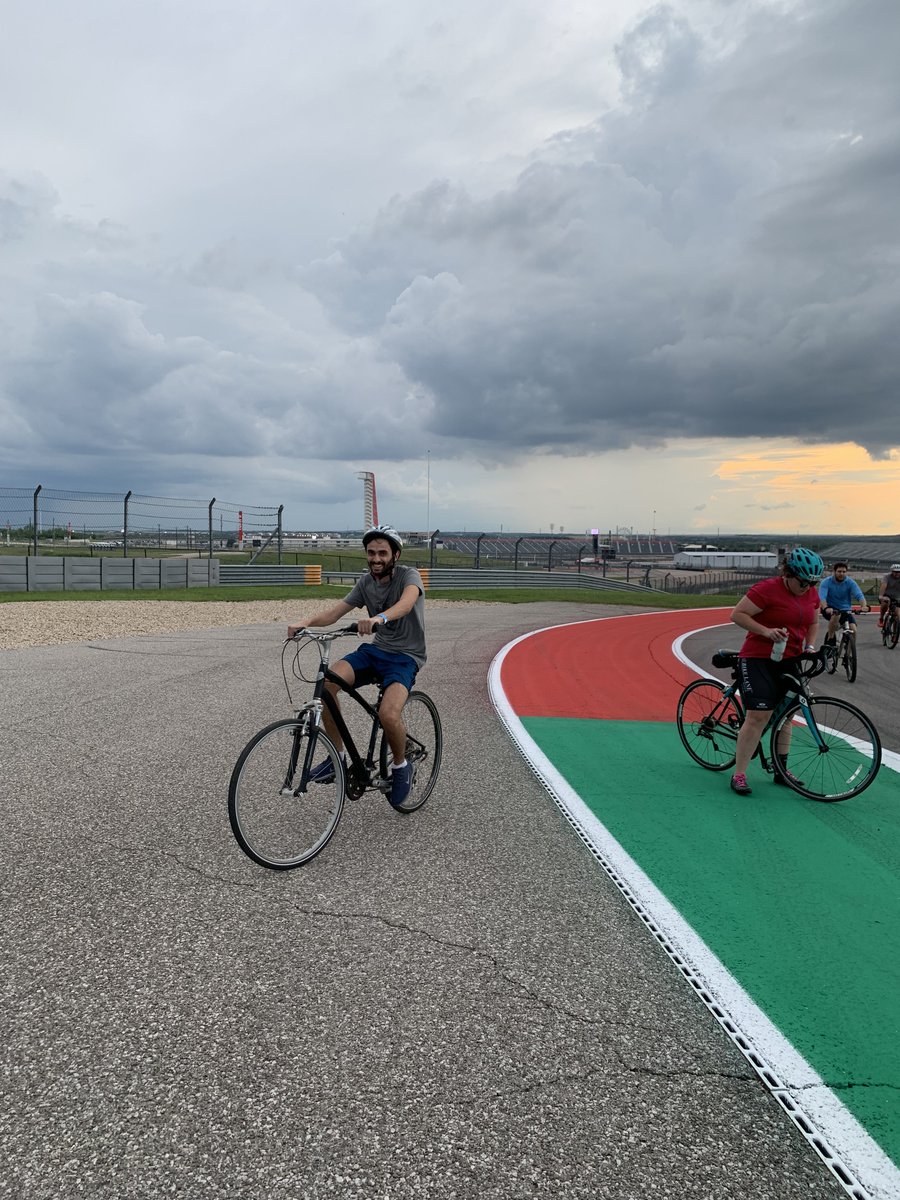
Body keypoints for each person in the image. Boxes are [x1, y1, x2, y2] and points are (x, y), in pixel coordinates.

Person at [287, 524, 425, 808]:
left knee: (388, 715)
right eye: (371, 553)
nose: (376, 558)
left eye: (382, 553)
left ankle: (401, 767)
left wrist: (379, 619)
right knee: (327, 685)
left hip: (406, 656)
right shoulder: (366, 582)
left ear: (395, 555)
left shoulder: (409, 576)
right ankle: (336, 758)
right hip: (376, 651)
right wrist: (306, 623)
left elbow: (407, 604)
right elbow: (335, 612)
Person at [728, 547, 823, 796]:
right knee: (759, 715)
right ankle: (739, 773)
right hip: (758, 657)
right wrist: (765, 631)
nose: (807, 587)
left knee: (787, 715)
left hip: (789, 657)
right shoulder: (766, 589)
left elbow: (813, 621)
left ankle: (781, 770)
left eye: (812, 583)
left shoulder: (811, 593)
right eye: (803, 582)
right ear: (788, 573)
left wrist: (810, 646)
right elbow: (737, 614)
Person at [818, 561, 869, 648]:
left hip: (845, 609)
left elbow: (859, 595)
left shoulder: (850, 582)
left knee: (854, 630)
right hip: (830, 608)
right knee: (836, 615)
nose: (842, 574)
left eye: (844, 572)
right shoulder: (826, 582)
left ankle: (849, 655)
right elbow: (822, 597)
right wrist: (826, 607)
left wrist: (864, 606)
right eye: (839, 571)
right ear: (834, 572)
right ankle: (830, 639)